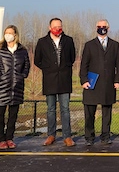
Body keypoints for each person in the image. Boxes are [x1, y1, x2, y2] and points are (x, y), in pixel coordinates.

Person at [34, 17, 76, 147]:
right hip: (49, 79)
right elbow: (37, 60)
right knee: (51, 109)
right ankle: (51, 135)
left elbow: (72, 57)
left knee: (65, 109)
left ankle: (67, 136)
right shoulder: (42, 42)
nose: (57, 28)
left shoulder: (68, 40)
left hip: (64, 79)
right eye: (55, 26)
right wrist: (48, 69)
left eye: (60, 26)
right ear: (49, 27)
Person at [79, 19, 119, 145]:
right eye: (99, 26)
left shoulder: (114, 45)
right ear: (95, 28)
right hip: (92, 84)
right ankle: (89, 137)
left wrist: (117, 80)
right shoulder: (89, 45)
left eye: (104, 26)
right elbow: (83, 65)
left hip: (108, 84)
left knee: (107, 113)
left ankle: (105, 136)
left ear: (108, 28)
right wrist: (84, 80)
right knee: (89, 113)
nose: (102, 28)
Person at [0, 25, 30, 150]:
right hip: (1, 87)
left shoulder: (22, 50)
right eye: (6, 33)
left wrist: (22, 76)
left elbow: (27, 65)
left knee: (13, 115)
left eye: (10, 33)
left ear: (15, 35)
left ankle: (9, 138)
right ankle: (1, 139)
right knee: (0, 114)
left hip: (17, 87)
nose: (8, 35)